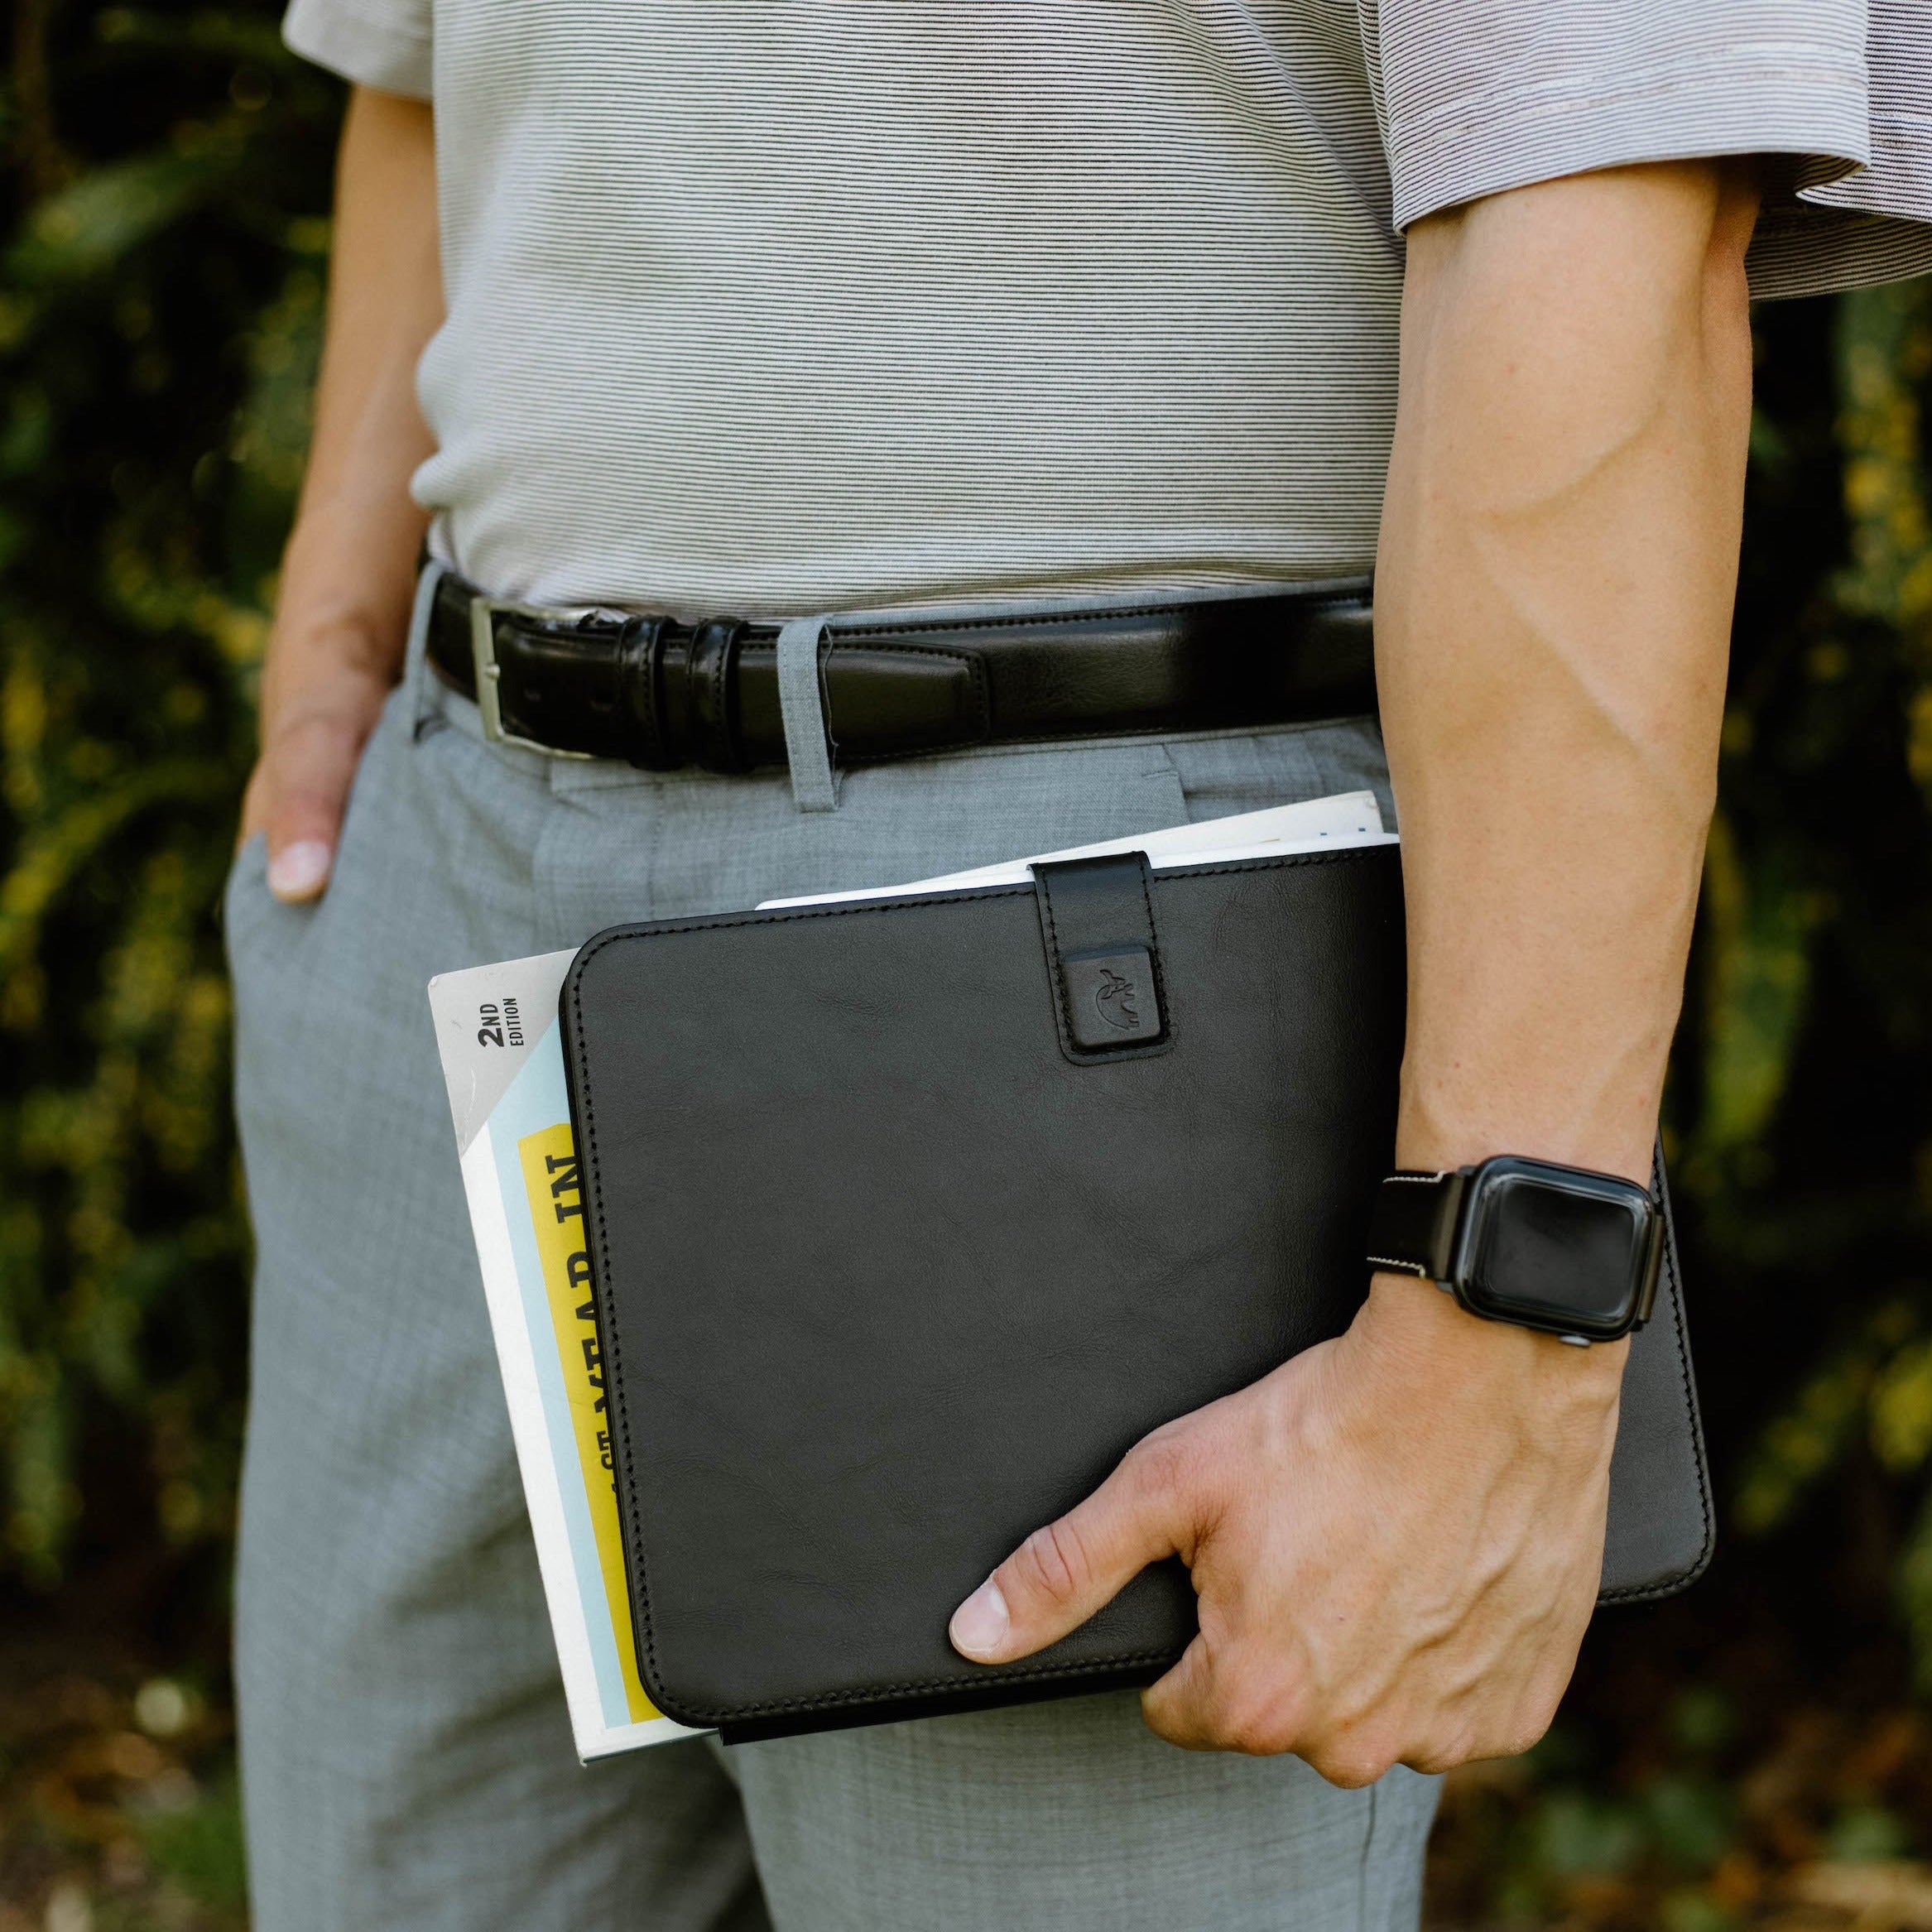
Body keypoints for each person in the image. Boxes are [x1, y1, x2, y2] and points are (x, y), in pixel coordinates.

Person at [230, 3, 1932, 1928]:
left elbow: (1610, 205)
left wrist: (1508, 1310)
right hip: (452, 870)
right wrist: (337, 632)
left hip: (1078, 934)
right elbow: (419, 56)